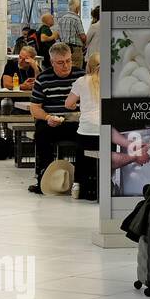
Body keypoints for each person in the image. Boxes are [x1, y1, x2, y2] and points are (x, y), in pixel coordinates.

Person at [27, 42, 82, 195]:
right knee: (42, 134)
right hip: (52, 122)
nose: (66, 65)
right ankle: (44, 178)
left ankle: (81, 179)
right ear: (52, 63)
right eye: (60, 62)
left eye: (69, 61)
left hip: (77, 122)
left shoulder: (81, 77)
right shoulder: (43, 79)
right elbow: (35, 108)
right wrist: (47, 117)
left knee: (87, 136)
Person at [65, 52, 102, 200]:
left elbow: (68, 104)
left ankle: (78, 184)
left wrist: (78, 105)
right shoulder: (111, 80)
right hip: (104, 131)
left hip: (86, 131)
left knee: (81, 156)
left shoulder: (81, 81)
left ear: (88, 65)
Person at [56, 0, 86, 70]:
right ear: (77, 8)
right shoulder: (76, 19)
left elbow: (58, 34)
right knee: (76, 70)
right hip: (75, 49)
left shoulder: (62, 18)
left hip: (64, 48)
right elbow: (83, 37)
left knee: (66, 69)